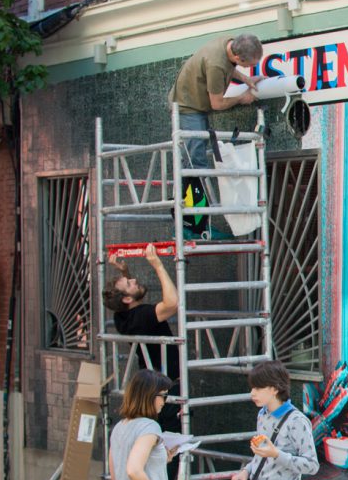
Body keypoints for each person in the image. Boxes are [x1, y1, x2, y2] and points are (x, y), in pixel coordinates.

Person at [167, 33, 265, 238]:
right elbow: (217, 103)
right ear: (237, 57)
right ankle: (192, 224)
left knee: (195, 163)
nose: (250, 68)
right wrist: (242, 98)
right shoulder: (216, 64)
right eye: (248, 65)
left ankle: (195, 220)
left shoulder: (229, 44)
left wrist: (246, 79)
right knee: (195, 164)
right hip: (188, 108)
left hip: (195, 105)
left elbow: (229, 69)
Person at [102, 244, 181, 436]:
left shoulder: (121, 317)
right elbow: (172, 303)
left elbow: (130, 299)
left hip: (151, 384)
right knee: (169, 441)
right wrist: (158, 265)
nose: (134, 280)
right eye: (130, 283)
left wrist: (124, 272)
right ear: (127, 300)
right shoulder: (142, 316)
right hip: (165, 387)